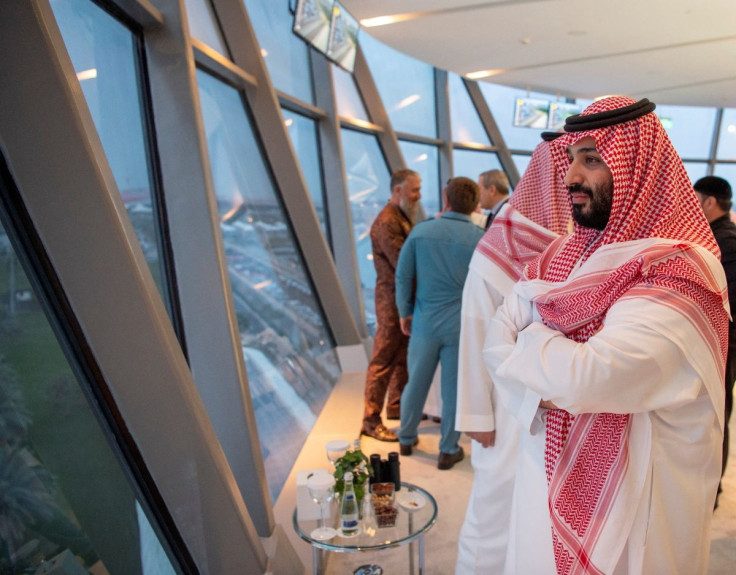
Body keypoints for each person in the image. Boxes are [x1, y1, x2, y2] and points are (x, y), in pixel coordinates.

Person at [484, 96, 728, 574]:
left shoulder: (682, 270)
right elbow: (496, 338)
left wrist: (528, 348)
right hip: (545, 474)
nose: (571, 176)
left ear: (637, 168)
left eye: (592, 159)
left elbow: (588, 377)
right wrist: (549, 372)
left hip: (641, 506)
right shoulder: (563, 256)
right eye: (571, 159)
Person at [455, 133, 570, 574]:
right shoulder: (498, 249)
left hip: (551, 407)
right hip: (503, 411)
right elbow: (474, 331)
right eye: (565, 171)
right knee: (492, 510)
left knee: (536, 517)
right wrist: (476, 417)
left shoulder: (575, 244)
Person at [395, 177, 484, 469]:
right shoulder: (480, 239)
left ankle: (406, 439)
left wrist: (404, 311)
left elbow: (403, 275)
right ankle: (448, 449)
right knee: (453, 389)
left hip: (425, 320)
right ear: (474, 205)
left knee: (416, 383)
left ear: (446, 198)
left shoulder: (421, 233)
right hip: (461, 325)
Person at [360, 169, 422, 442]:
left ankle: (396, 407)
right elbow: (403, 263)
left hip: (402, 298)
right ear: (397, 190)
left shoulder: (401, 216)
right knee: (383, 359)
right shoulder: (387, 221)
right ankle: (371, 421)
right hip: (390, 301)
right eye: (414, 190)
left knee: (401, 356)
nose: (418, 196)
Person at [693, 175, 736, 505]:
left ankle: (710, 491)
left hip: (722, 347)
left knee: (714, 419)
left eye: (697, 199)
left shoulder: (724, 243)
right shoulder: (718, 239)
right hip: (717, 345)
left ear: (709, 202)